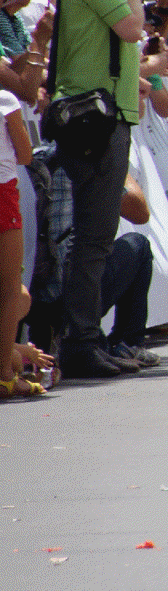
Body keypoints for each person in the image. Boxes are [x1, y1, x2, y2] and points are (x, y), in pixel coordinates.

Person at [49, 0, 147, 380]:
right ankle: (81, 343)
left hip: (105, 114)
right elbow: (133, 28)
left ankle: (86, 338)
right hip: (95, 119)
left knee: (96, 238)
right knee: (93, 240)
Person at [0, 85, 35, 397]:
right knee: (13, 287)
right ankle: (4, 372)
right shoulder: (5, 100)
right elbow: (25, 154)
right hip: (2, 193)